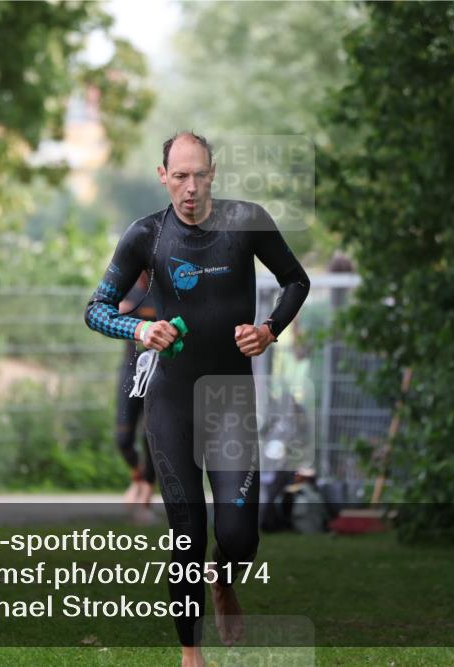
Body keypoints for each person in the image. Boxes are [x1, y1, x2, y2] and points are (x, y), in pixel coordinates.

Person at [84, 132, 310, 667]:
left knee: (239, 537)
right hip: (171, 400)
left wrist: (270, 330)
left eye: (199, 175)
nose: (190, 187)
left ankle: (224, 580)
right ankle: (191, 653)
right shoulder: (145, 235)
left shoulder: (246, 221)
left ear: (213, 173)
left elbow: (295, 281)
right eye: (179, 176)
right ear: (163, 176)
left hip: (231, 398)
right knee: (187, 532)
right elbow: (96, 308)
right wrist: (138, 332)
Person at [116, 271, 157, 520]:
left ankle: (145, 499)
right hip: (130, 371)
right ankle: (138, 477)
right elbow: (109, 315)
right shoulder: (127, 289)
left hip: (159, 371)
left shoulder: (162, 288)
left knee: (150, 436)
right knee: (122, 438)